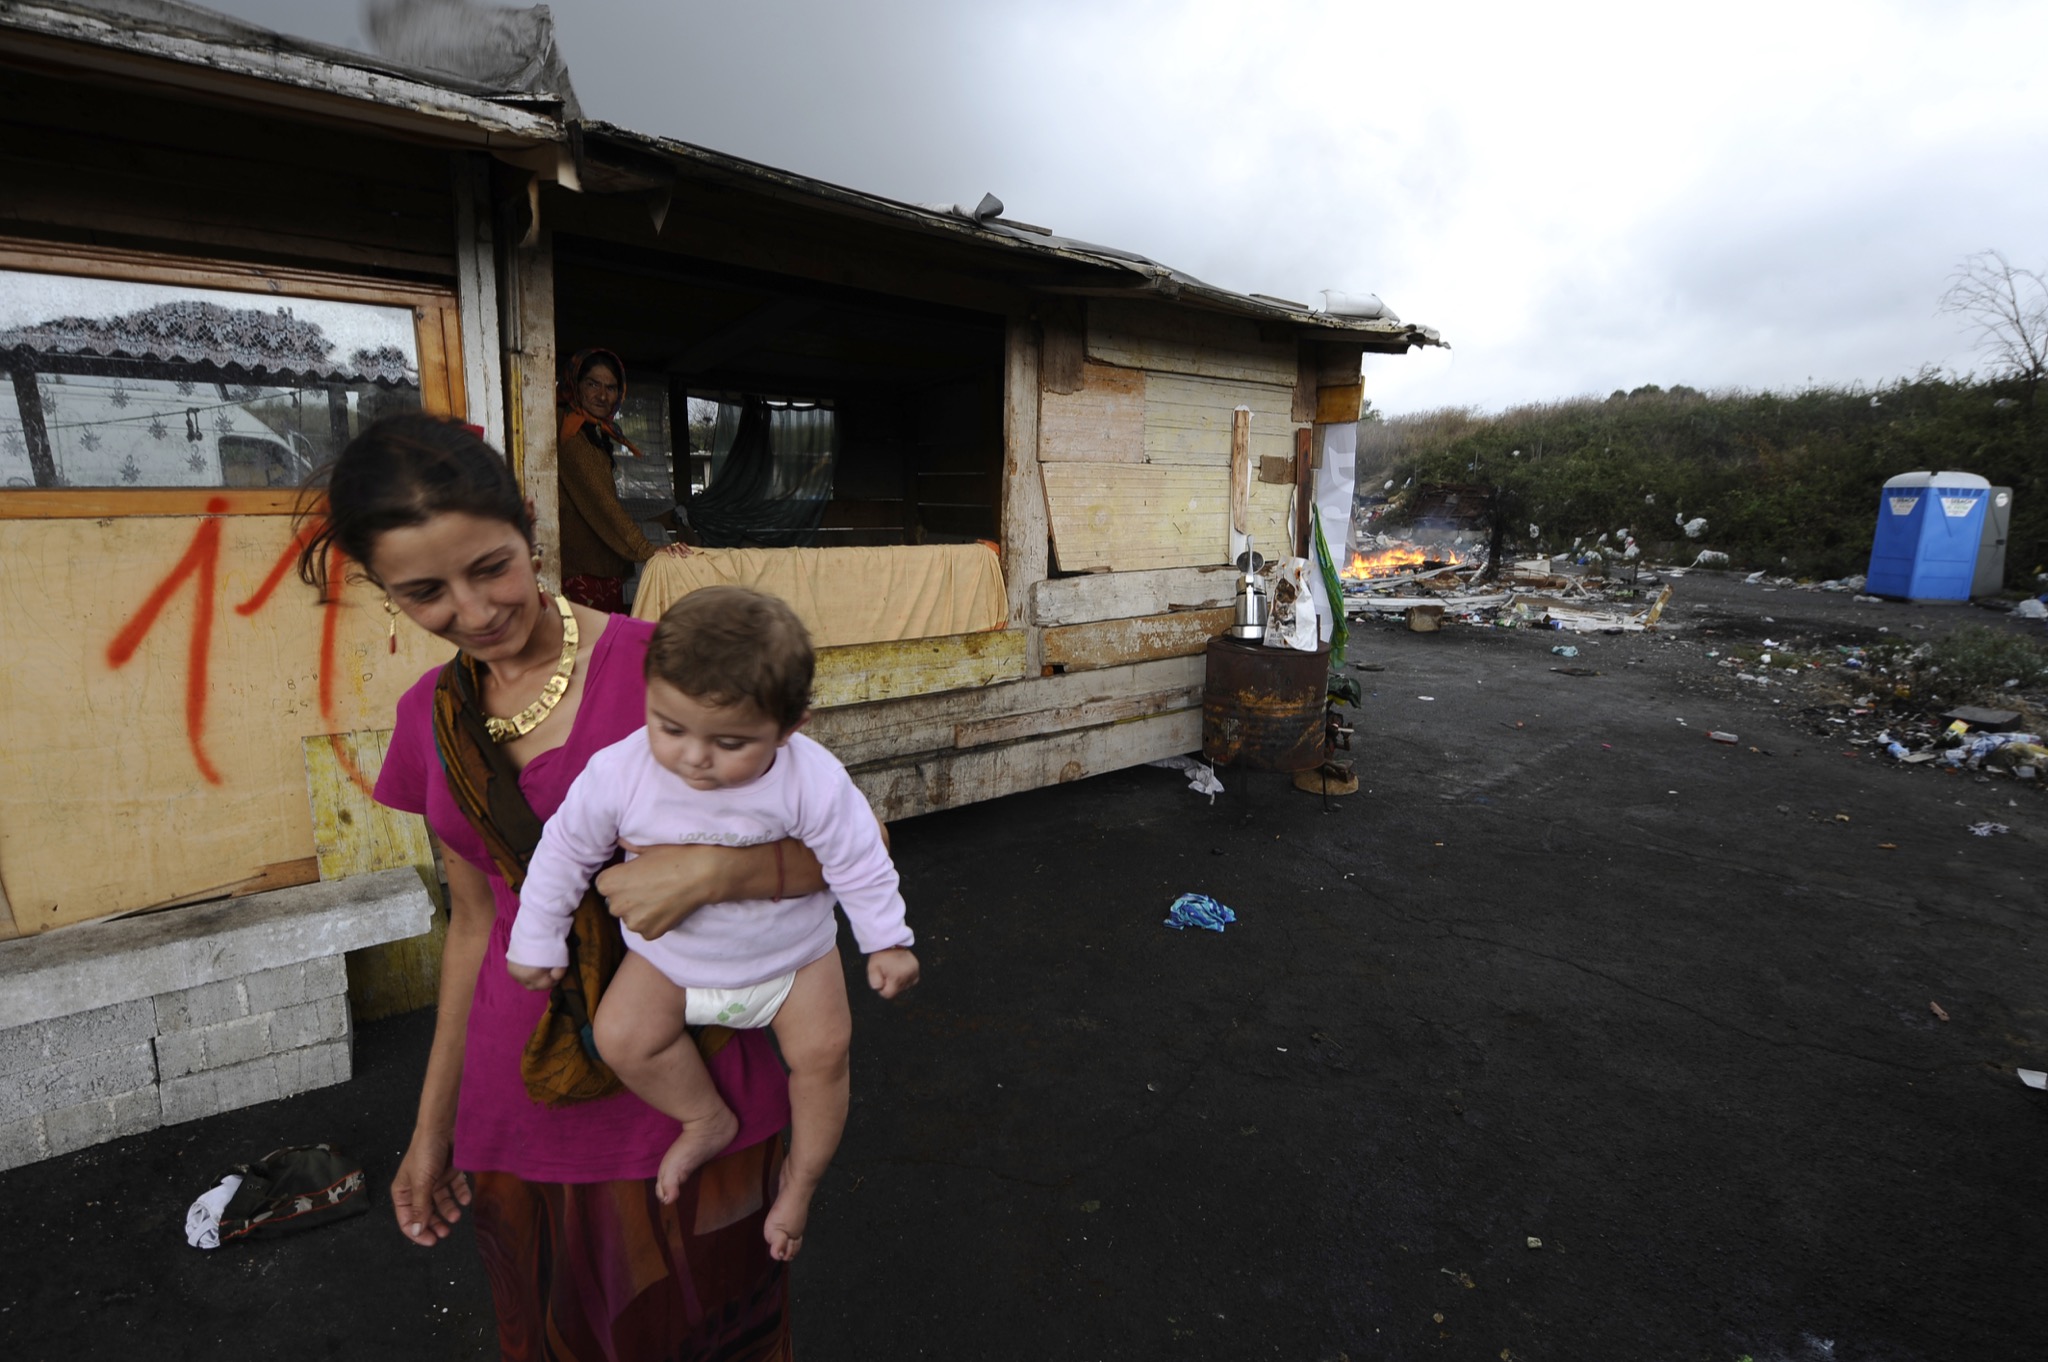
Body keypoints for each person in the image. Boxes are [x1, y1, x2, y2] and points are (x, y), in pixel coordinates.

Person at [297, 413, 828, 1360]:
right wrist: (433, 1132)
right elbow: (473, 928)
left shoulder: (677, 665)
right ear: (384, 592)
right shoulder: (430, 719)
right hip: (522, 1096)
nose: (474, 609)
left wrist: (719, 870)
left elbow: (845, 851)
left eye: (491, 567)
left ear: (530, 529)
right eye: (425, 592)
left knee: (716, 1330)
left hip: (698, 1077)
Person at [506, 586, 919, 1259]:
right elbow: (564, 853)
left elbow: (858, 855)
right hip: (670, 962)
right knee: (622, 1036)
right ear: (650, 697)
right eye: (670, 727)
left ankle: (801, 1181)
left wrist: (887, 940)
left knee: (824, 1060)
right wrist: (536, 935)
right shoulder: (618, 774)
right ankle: (703, 1117)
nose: (694, 757)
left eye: (729, 742)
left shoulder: (809, 777)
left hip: (795, 960)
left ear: (790, 728)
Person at [557, 347, 690, 613]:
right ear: (575, 384)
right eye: (593, 384)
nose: (603, 395)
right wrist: (648, 549)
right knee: (593, 649)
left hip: (600, 567)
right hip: (583, 572)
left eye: (611, 387)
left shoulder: (591, 429)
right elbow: (602, 503)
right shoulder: (570, 431)